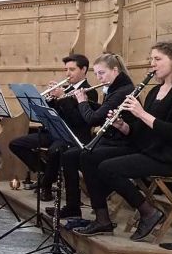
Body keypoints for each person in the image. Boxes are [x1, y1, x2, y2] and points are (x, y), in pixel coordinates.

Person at [75, 41, 172, 240]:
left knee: (108, 168)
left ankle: (148, 212)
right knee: (88, 156)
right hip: (150, 150)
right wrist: (123, 126)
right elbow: (142, 132)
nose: (152, 64)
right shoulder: (154, 91)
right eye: (151, 59)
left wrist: (142, 113)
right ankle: (102, 219)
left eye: (157, 59)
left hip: (171, 156)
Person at [49, 53, 134, 219]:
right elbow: (102, 112)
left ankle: (102, 216)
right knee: (69, 156)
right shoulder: (115, 88)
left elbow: (93, 119)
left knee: (85, 156)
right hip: (111, 140)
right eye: (96, 74)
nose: (99, 78)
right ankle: (73, 207)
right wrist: (79, 101)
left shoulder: (122, 90)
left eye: (101, 73)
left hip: (122, 143)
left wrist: (82, 101)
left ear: (115, 70)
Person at [8, 54, 97, 202]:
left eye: (72, 69)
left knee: (54, 151)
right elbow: (52, 114)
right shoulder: (66, 88)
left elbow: (79, 120)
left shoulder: (90, 91)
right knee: (16, 144)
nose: (67, 73)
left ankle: (47, 186)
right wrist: (49, 100)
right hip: (55, 131)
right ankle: (46, 174)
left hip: (73, 135)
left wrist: (62, 97)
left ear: (83, 69)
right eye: (66, 69)